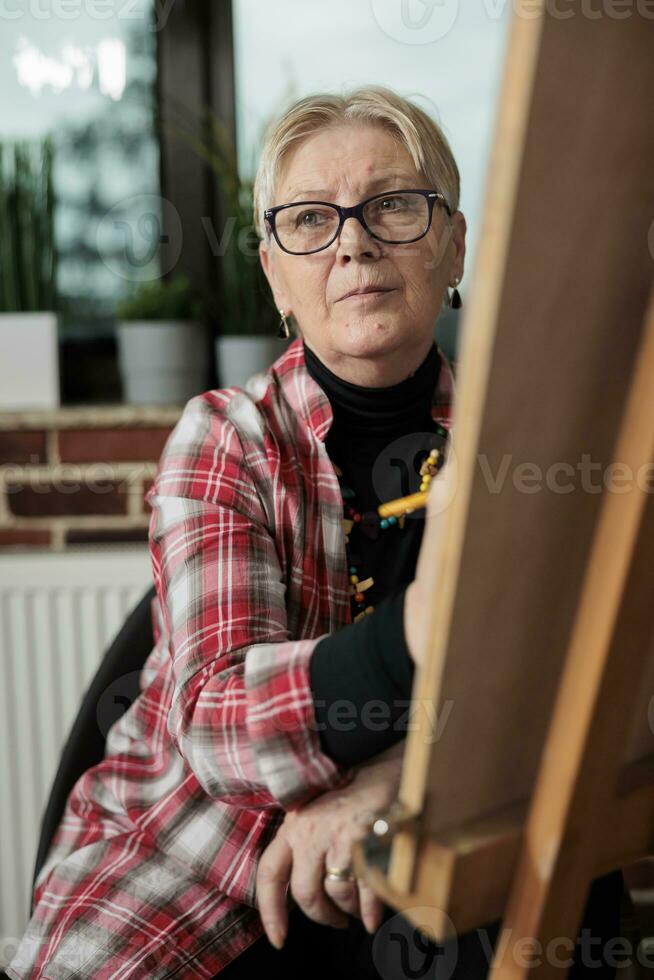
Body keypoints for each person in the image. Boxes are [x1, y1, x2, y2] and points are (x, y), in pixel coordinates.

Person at [6, 85, 623, 980]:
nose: (353, 242)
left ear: (453, 243)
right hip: (195, 848)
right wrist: (417, 635)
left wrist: (395, 779)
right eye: (308, 220)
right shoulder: (224, 436)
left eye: (393, 205)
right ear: (274, 275)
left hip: (428, 837)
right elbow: (217, 728)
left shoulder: (530, 450)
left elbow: (585, 702)